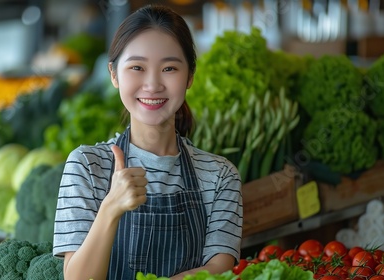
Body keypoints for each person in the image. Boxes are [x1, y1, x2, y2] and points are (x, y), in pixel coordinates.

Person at [53, 4, 243, 280]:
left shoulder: (220, 176)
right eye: (137, 67)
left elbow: (218, 269)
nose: (152, 84)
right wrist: (111, 207)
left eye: (169, 68)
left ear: (189, 76)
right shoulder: (86, 167)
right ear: (114, 74)